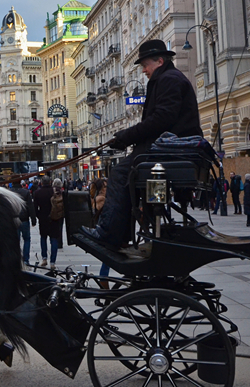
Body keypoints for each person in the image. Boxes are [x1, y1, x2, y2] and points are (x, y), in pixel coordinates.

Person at [82, 39, 203, 247]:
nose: (144, 71)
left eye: (146, 65)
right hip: (168, 147)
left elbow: (161, 119)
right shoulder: (166, 79)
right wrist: (125, 138)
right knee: (125, 171)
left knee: (120, 174)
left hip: (170, 149)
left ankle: (110, 232)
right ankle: (123, 230)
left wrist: (127, 136)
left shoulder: (169, 80)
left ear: (160, 60)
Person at [32, 176, 58, 269]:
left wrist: (38, 216)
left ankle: (44, 258)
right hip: (54, 218)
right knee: (54, 239)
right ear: (50, 182)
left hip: (43, 218)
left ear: (41, 183)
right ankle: (53, 262)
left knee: (43, 238)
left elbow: (35, 208)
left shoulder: (37, 193)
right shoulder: (54, 192)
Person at [11, 179, 35, 268]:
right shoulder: (25, 192)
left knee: (15, 241)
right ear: (20, 182)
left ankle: (16, 259)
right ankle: (26, 259)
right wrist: (33, 219)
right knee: (27, 239)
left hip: (14, 219)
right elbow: (30, 206)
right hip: (24, 219)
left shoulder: (9, 192)